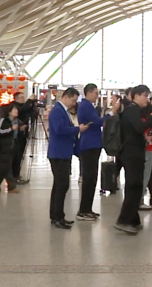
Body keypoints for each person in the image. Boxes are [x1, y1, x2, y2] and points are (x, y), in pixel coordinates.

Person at [114, 85, 152, 235]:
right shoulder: (132, 110)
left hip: (133, 153)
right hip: (131, 153)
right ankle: (123, 220)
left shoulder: (133, 110)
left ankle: (133, 220)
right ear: (136, 96)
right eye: (145, 96)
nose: (147, 99)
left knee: (135, 186)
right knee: (134, 186)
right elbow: (139, 127)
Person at [49, 88, 89, 229]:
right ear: (65, 97)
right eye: (73, 100)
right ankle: (58, 217)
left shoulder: (63, 111)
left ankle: (56, 215)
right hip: (58, 153)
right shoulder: (57, 111)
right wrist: (78, 129)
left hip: (63, 152)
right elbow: (59, 130)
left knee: (58, 185)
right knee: (62, 185)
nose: (73, 104)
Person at [76, 84, 104, 220]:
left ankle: (87, 208)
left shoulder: (88, 106)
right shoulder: (86, 106)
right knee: (89, 178)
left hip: (93, 144)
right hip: (89, 145)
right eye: (95, 93)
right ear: (89, 93)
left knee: (92, 178)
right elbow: (97, 122)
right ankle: (83, 210)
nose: (97, 96)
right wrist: (110, 115)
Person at [0, 106, 20, 193]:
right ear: (9, 112)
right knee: (6, 166)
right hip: (5, 146)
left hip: (13, 146)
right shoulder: (4, 120)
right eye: (14, 109)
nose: (16, 111)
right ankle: (11, 186)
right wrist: (11, 129)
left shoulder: (17, 121)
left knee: (5, 167)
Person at [10, 92, 32, 184]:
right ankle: (14, 176)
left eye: (23, 97)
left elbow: (27, 111)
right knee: (16, 157)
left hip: (23, 135)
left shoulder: (22, 107)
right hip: (16, 137)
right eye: (21, 98)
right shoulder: (14, 106)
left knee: (20, 156)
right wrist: (30, 100)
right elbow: (22, 109)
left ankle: (16, 174)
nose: (23, 99)